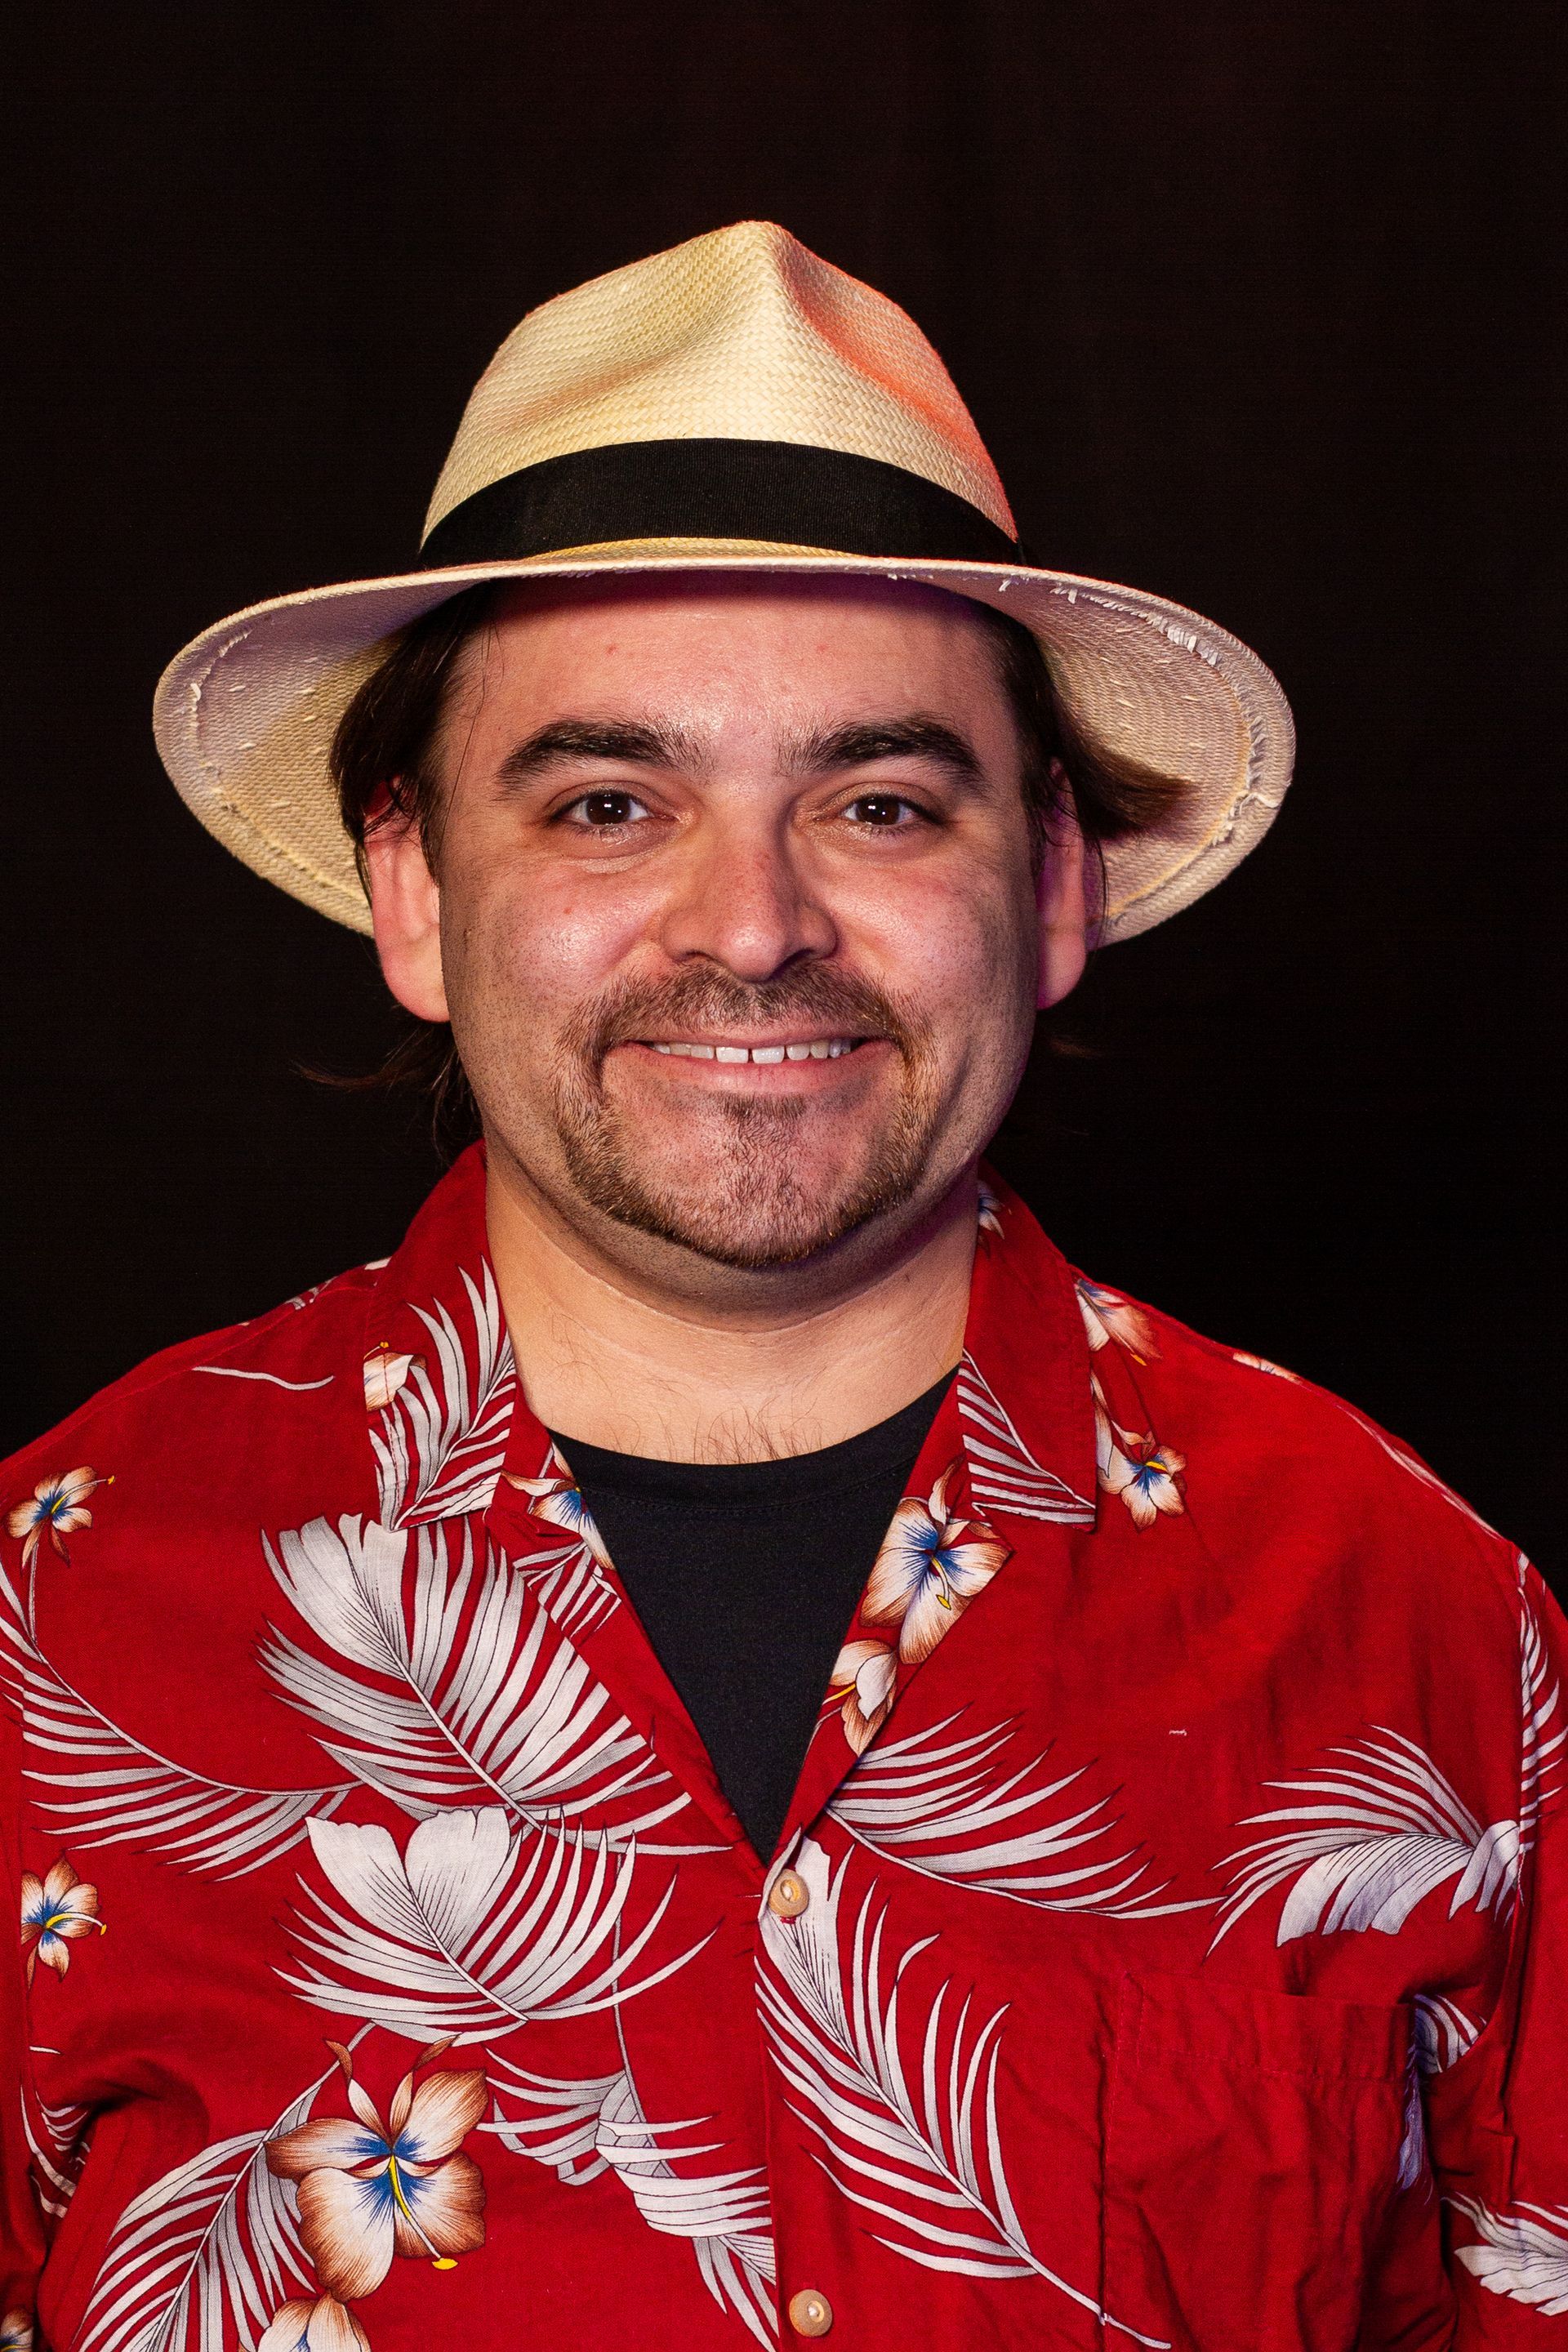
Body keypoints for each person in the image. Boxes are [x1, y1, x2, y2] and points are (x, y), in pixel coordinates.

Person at [2, 222, 1561, 2352]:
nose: (753, 927)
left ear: (1055, 883)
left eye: (884, 800)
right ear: (414, 889)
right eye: (611, 800)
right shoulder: (48, 1621)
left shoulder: (1422, 1623)